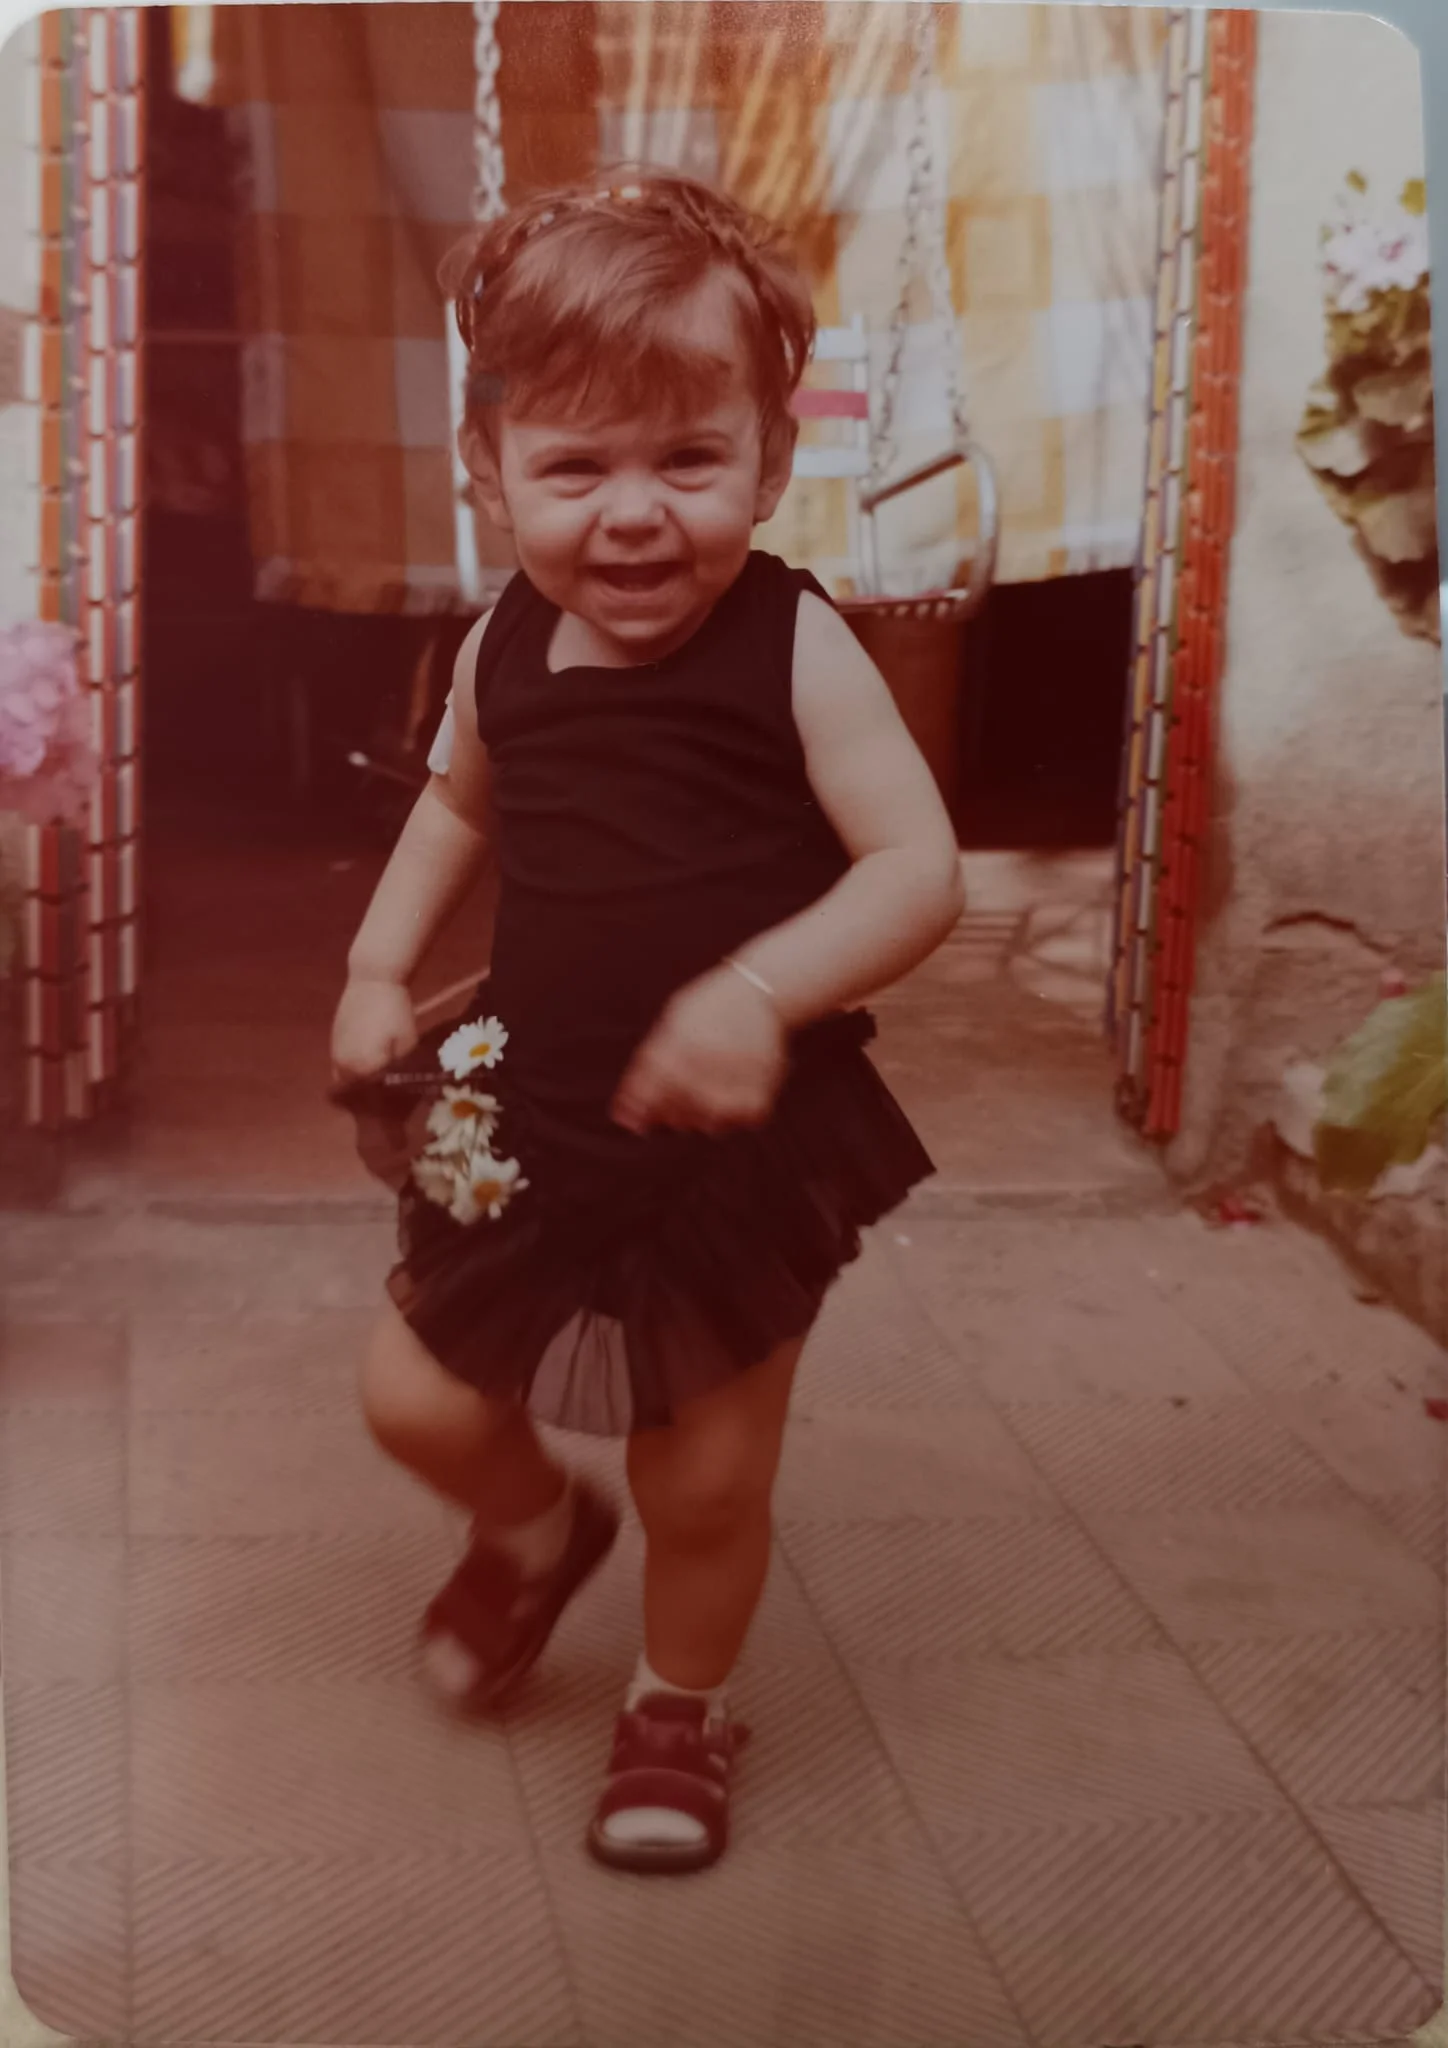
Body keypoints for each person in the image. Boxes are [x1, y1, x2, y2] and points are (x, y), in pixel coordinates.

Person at [330, 170, 963, 1875]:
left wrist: (761, 992)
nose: (633, 517)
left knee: (707, 1477)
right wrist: (379, 966)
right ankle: (538, 1536)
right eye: (575, 469)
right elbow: (455, 810)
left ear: (769, 461)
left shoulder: (794, 646)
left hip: (736, 1148)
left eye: (688, 462)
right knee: (416, 1397)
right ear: (489, 469)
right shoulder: (501, 649)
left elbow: (918, 872)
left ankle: (679, 1703)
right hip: (527, 1112)